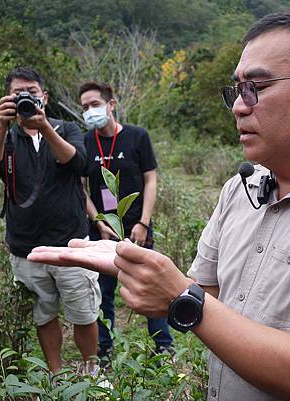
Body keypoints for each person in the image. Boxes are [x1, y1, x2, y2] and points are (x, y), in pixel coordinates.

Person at [28, 11, 290, 401]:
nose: (239, 106)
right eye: (237, 90)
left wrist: (179, 298)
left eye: (256, 88)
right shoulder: (241, 189)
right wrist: (145, 272)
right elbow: (205, 291)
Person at [0, 67, 101, 374]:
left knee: (84, 314)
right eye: (19, 93)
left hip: (71, 244)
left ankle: (91, 370)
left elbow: (79, 164)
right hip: (26, 249)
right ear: (7, 98)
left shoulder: (66, 128)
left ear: (44, 96)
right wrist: (1, 125)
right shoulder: (6, 137)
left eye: (32, 92)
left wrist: (45, 127)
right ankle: (56, 374)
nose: (27, 98)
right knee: (43, 316)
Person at [78, 81, 173, 360]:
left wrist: (143, 222)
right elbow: (81, 187)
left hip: (136, 227)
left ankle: (163, 347)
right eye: (84, 107)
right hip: (101, 230)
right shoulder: (85, 141)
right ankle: (104, 350)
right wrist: (98, 222)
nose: (90, 111)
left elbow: (150, 179)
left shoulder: (137, 137)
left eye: (95, 104)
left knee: (149, 286)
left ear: (111, 105)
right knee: (102, 292)